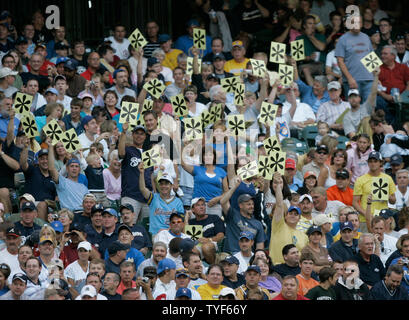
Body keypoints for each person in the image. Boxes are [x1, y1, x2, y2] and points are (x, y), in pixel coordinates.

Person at [269, 172, 308, 264]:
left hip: (294, 270)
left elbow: (303, 257)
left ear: (299, 218)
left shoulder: (304, 237)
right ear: (285, 216)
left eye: (296, 214)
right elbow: (279, 205)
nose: (293, 215)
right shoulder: (279, 226)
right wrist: (278, 186)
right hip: (277, 267)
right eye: (290, 213)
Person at [353, 151, 396, 231]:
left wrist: (387, 195)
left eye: (375, 161)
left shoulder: (388, 178)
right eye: (370, 161)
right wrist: (366, 214)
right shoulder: (360, 180)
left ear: (380, 163)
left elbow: (393, 200)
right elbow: (355, 202)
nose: (373, 164)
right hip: (365, 219)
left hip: (383, 219)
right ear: (368, 163)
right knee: (366, 242)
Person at [335, 14, 374, 102]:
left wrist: (376, 77)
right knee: (353, 110)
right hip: (352, 80)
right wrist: (349, 78)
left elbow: (371, 57)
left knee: (369, 110)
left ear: (362, 24)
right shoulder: (343, 39)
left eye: (359, 22)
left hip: (369, 79)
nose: (357, 24)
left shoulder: (366, 37)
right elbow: (340, 62)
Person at [185, 197, 225, 265]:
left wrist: (209, 240)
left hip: (213, 243)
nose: (201, 207)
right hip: (198, 245)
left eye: (203, 205)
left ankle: (214, 267)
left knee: (205, 247)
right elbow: (185, 236)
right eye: (198, 205)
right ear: (193, 210)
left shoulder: (214, 218)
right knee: (191, 251)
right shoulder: (191, 222)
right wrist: (186, 218)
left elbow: (221, 235)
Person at [342, 68, 380, 139]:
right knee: (366, 120)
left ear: (359, 98)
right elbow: (353, 136)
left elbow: (373, 93)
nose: (353, 99)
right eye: (351, 97)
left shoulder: (366, 106)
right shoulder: (347, 117)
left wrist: (376, 76)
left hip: (373, 135)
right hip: (360, 142)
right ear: (348, 100)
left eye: (355, 96)